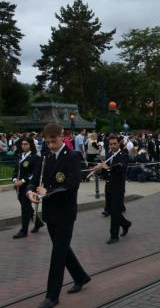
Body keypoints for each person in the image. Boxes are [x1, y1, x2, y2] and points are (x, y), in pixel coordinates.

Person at [27, 123, 91, 308]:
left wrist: (48, 192)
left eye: (53, 141)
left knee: (57, 255)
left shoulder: (72, 157)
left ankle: (52, 295)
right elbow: (35, 179)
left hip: (65, 213)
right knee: (61, 248)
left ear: (61, 137)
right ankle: (80, 276)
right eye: (47, 142)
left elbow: (72, 184)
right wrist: (30, 191)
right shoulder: (45, 157)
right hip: (50, 213)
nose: (51, 146)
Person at [96, 135, 131, 244]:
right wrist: (99, 170)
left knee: (115, 212)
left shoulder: (123, 155)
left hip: (118, 187)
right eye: (111, 144)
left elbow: (121, 169)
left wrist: (108, 168)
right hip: (108, 187)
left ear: (118, 143)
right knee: (110, 210)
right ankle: (125, 224)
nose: (113, 146)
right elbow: (105, 173)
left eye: (115, 144)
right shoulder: (109, 154)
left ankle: (114, 236)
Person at [12, 137, 43, 238]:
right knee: (27, 207)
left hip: (29, 186)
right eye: (22, 144)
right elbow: (15, 171)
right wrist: (15, 180)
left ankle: (23, 230)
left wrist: (23, 181)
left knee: (25, 208)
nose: (23, 146)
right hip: (19, 186)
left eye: (26, 144)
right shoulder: (20, 156)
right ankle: (38, 222)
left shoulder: (35, 157)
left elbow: (35, 173)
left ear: (31, 145)